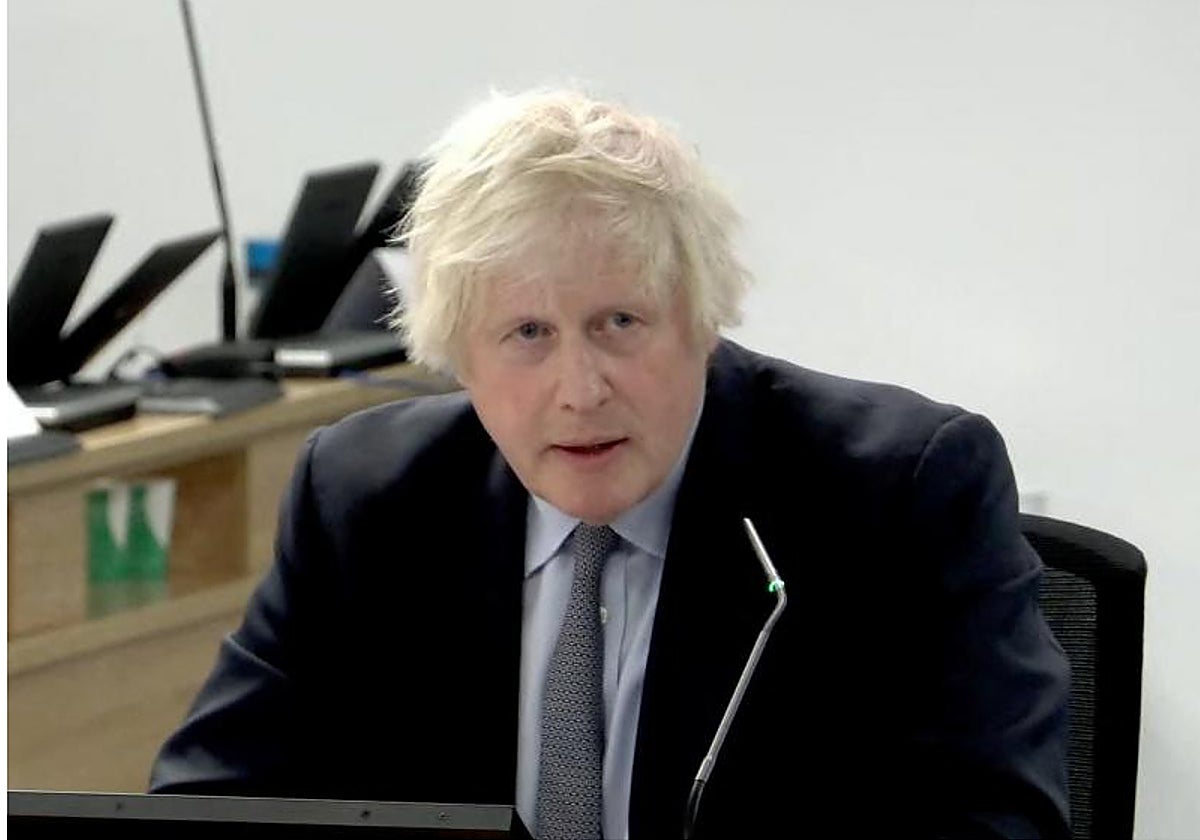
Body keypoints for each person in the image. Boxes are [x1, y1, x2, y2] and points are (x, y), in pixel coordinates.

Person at [150, 88, 1070, 839]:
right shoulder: (367, 499)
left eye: (618, 323)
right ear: (457, 356)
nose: (579, 390)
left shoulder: (897, 492)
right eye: (527, 334)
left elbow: (999, 822)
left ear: (701, 319)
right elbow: (209, 799)